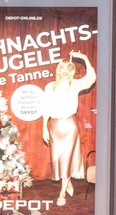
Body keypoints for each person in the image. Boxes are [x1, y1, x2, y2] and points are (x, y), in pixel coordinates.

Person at [41, 52, 96, 203]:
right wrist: (44, 128)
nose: (65, 71)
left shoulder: (75, 85)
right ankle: (68, 181)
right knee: (58, 158)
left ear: (72, 71)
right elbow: (46, 108)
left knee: (68, 157)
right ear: (59, 70)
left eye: (68, 68)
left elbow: (91, 78)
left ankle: (62, 193)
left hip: (70, 126)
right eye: (62, 68)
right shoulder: (50, 86)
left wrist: (84, 58)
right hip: (54, 126)